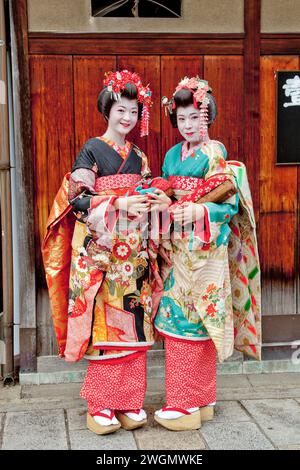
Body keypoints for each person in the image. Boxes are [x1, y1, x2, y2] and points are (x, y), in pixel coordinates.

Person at [42, 70, 169, 435]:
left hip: (137, 254)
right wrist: (120, 204)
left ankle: (130, 401)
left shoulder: (140, 156)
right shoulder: (92, 149)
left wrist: (154, 197)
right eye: (120, 110)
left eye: (133, 111)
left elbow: (146, 190)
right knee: (107, 328)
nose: (127, 118)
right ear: (107, 110)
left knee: (135, 326)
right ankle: (101, 403)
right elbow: (78, 199)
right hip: (104, 252)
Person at [153, 76, 261, 431]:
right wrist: (163, 197)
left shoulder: (215, 153)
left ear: (207, 116)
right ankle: (200, 398)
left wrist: (199, 211)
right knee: (180, 319)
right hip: (178, 249)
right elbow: (169, 189)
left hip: (205, 249)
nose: (188, 125)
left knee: (196, 320)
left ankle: (186, 404)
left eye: (195, 117)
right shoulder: (172, 155)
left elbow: (229, 205)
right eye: (181, 119)